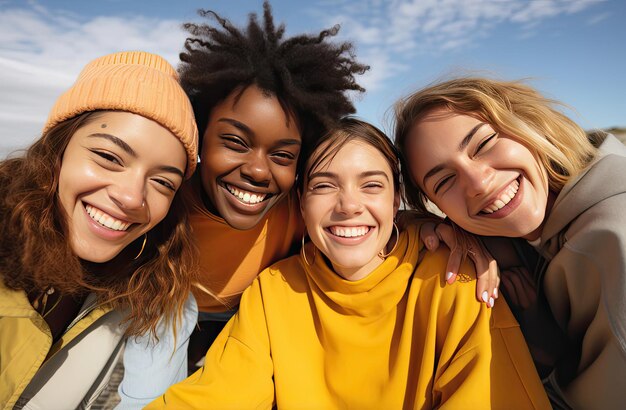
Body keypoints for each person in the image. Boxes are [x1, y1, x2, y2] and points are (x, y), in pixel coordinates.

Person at [145, 117, 550, 409]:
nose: (349, 206)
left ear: (396, 201)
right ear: (301, 202)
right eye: (324, 186)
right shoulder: (275, 290)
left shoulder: (457, 278)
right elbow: (218, 395)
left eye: (371, 185)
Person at [116, 2, 367, 407]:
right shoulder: (166, 199)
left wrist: (430, 228)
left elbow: (367, 220)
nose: (257, 171)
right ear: (198, 133)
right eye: (235, 142)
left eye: (283, 155)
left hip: (251, 313)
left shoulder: (298, 211)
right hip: (173, 306)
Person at [394, 76, 626, 409]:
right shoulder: (545, 221)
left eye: (483, 144)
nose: (478, 182)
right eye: (444, 181)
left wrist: (539, 353)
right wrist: (427, 225)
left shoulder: (613, 239)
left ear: (527, 121)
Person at [0, 51, 199, 409]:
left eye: (162, 182)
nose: (131, 197)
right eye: (109, 157)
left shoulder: (154, 286)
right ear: (56, 152)